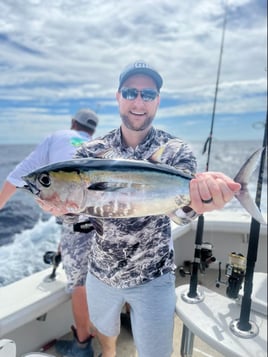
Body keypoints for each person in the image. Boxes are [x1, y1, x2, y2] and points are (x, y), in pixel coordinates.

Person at [37, 60, 241, 357]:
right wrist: (60, 208)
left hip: (154, 275)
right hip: (101, 273)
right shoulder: (90, 153)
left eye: (148, 94)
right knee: (106, 340)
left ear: (157, 100)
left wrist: (198, 204)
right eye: (131, 92)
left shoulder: (176, 151)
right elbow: (77, 214)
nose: (138, 101)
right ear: (118, 96)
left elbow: (178, 214)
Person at [0, 109, 99, 357]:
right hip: (104, 224)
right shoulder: (97, 145)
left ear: (72, 123)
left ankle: (82, 347)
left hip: (77, 226)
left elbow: (17, 177)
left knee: (79, 285)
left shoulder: (56, 138)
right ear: (91, 130)